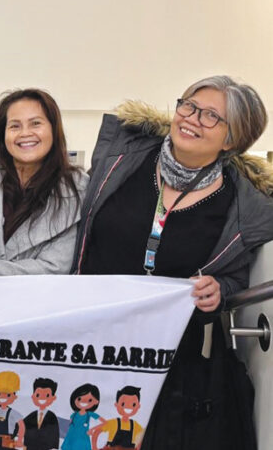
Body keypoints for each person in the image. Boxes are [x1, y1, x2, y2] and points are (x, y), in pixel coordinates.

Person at [72, 76, 273, 450]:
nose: (192, 119)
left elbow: (234, 277)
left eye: (211, 116)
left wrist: (220, 290)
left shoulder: (242, 206)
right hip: (92, 336)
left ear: (232, 139)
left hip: (166, 360)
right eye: (189, 105)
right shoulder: (123, 158)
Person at [0, 88, 88, 276]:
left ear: (53, 129)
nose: (25, 133)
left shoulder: (76, 187)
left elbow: (53, 268)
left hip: (38, 300)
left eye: (35, 123)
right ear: (3, 134)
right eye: (15, 126)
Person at [90, 386, 143, 450]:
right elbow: (97, 431)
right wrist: (94, 447)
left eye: (133, 404)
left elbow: (144, 436)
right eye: (123, 404)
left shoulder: (135, 425)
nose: (128, 407)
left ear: (138, 406)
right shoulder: (113, 423)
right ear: (116, 404)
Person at [62, 383, 104, 450]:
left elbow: (104, 422)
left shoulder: (89, 414)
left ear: (96, 402)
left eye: (89, 400)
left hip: (82, 437)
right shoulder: (74, 414)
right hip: (71, 436)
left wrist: (92, 429)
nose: (83, 402)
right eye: (79, 399)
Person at [21, 377, 60, 450]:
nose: (42, 398)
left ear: (53, 397)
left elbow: (55, 434)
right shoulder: (32, 415)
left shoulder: (51, 417)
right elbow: (21, 425)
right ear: (33, 396)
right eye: (38, 395)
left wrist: (54, 447)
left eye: (47, 395)